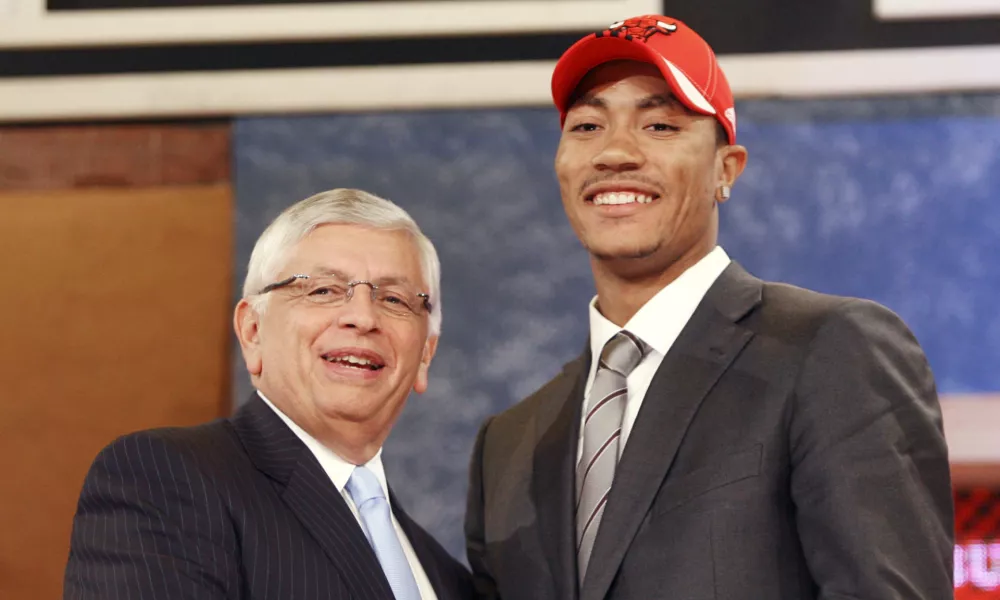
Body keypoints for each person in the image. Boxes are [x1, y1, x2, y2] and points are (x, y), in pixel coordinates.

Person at [465, 15, 954, 600]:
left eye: (661, 125)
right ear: (561, 167)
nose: (615, 152)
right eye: (588, 125)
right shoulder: (509, 445)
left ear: (727, 170)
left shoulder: (829, 349)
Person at [64, 189, 473, 600]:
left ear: (425, 354)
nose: (363, 317)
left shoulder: (447, 578)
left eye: (394, 299)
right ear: (253, 332)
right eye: (323, 290)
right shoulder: (163, 481)